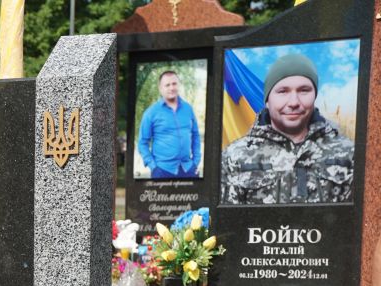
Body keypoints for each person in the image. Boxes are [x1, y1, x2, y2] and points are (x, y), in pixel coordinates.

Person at [220, 53, 354, 204]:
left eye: (304, 90)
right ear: (267, 100)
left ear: (315, 96)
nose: (293, 102)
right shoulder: (234, 157)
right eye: (283, 91)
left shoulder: (348, 153)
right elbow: (226, 217)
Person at [137, 69, 201, 179]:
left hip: (188, 169)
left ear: (178, 85)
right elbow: (142, 143)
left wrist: (195, 161)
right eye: (167, 85)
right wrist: (153, 167)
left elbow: (195, 135)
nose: (171, 88)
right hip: (162, 171)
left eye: (174, 84)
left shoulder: (188, 108)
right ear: (160, 88)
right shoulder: (151, 113)